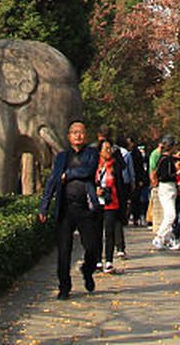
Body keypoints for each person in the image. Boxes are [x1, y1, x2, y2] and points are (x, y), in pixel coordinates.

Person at [40, 119, 104, 299]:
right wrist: (44, 206)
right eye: (74, 132)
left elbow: (88, 171)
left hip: (86, 207)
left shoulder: (91, 153)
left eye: (81, 132)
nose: (78, 135)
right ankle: (64, 286)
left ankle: (87, 269)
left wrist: (67, 175)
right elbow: (53, 181)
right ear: (69, 137)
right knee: (64, 250)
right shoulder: (62, 157)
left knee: (92, 247)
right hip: (65, 209)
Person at [94, 139, 127, 274]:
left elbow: (120, 185)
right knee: (96, 233)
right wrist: (95, 189)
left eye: (110, 148)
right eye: (105, 148)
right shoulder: (94, 166)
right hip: (96, 203)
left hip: (111, 202)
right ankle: (97, 260)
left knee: (109, 232)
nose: (108, 151)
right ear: (100, 151)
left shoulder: (115, 166)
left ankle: (108, 261)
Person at [151, 136, 180, 250]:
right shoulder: (165, 160)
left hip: (169, 188)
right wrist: (177, 174)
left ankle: (168, 238)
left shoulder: (165, 159)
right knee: (171, 215)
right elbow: (164, 176)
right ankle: (159, 236)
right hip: (166, 187)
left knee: (169, 214)